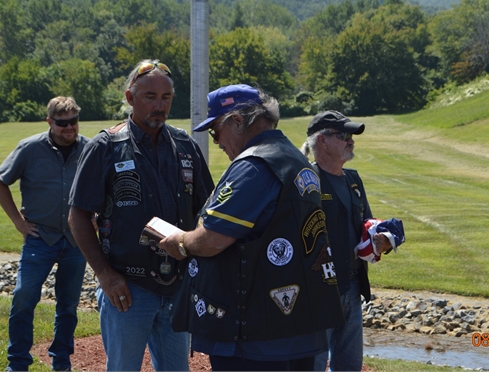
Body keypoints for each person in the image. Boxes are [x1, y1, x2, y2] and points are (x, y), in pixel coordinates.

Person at [159, 84, 344, 371]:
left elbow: (213, 239)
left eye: (215, 130)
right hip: (296, 324)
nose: (217, 141)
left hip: (256, 334)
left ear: (236, 120)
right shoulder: (294, 158)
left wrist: (181, 241)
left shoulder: (255, 165)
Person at [67, 59, 214, 371]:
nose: (159, 106)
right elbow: (78, 216)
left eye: (166, 98)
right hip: (128, 287)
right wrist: (105, 275)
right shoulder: (106, 146)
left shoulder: (186, 145)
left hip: (176, 284)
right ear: (130, 97)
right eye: (150, 97)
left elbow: (208, 209)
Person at [0, 97, 90, 371]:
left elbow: (106, 186)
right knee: (23, 297)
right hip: (39, 237)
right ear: (50, 122)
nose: (69, 127)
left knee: (68, 306)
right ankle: (18, 362)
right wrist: (18, 222)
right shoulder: (31, 148)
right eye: (62, 123)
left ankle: (61, 360)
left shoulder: (90, 148)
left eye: (73, 121)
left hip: (75, 240)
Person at [300, 110, 391, 372]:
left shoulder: (353, 180)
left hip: (351, 285)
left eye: (350, 136)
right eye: (343, 135)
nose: (350, 140)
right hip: (319, 287)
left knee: (350, 365)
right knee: (313, 364)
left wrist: (383, 238)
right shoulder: (306, 180)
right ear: (322, 141)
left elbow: (368, 226)